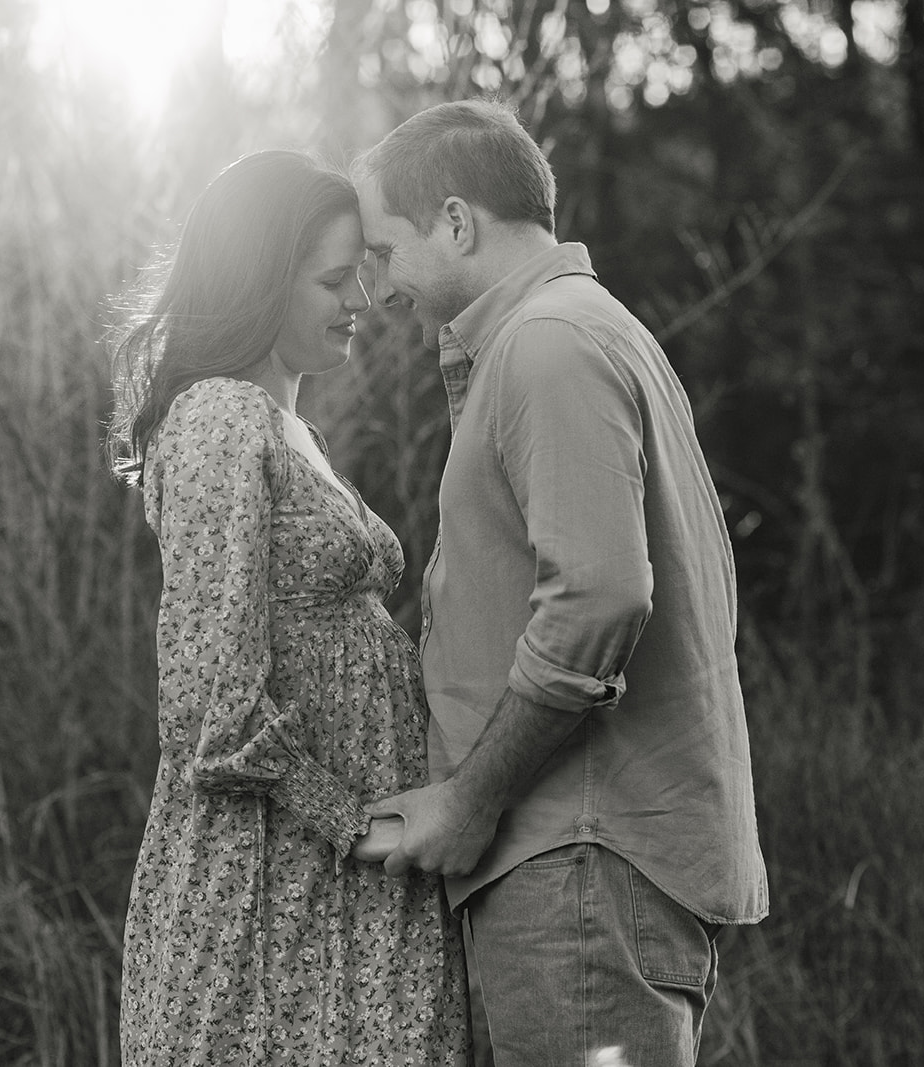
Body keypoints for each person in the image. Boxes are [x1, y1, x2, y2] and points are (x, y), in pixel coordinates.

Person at [353, 100, 770, 1065]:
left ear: (456, 222)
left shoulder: (550, 344)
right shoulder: (579, 333)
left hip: (580, 861)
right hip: (580, 864)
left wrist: (469, 799)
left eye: (383, 251)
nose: (375, 292)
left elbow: (598, 596)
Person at [109, 149, 469, 1067]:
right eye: (331, 278)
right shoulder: (221, 419)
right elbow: (209, 704)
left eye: (358, 273)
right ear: (263, 279)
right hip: (272, 891)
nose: (358, 299)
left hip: (343, 884)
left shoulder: (288, 428)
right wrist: (352, 822)